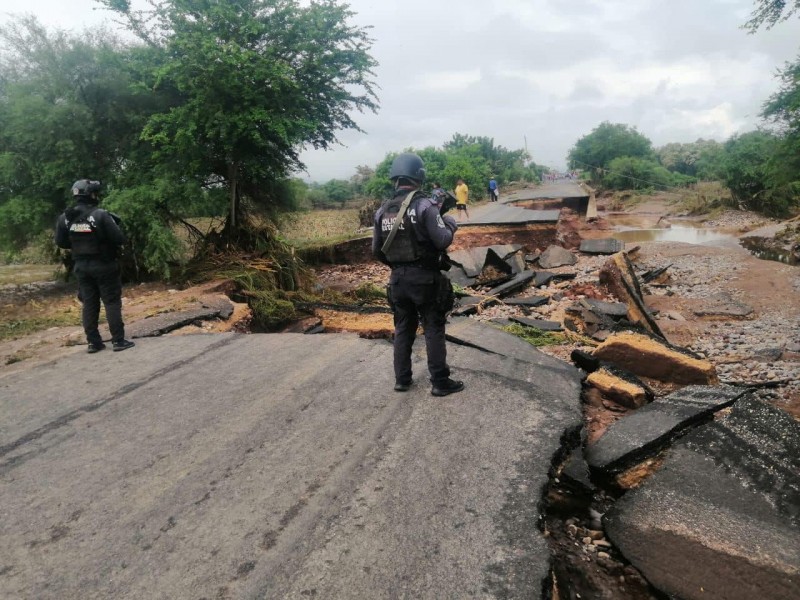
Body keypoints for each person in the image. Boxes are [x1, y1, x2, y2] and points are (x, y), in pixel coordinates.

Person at [373, 153, 464, 397]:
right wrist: (451, 224)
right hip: (425, 279)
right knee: (433, 326)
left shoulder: (382, 211)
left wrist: (397, 267)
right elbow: (442, 239)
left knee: (403, 326)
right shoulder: (425, 205)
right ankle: (440, 382)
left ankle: (402, 380)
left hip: (397, 280)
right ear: (419, 176)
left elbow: (377, 251)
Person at [55, 179, 135, 353]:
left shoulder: (66, 217)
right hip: (104, 265)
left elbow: (60, 242)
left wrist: (78, 244)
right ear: (91, 194)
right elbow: (119, 239)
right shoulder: (101, 215)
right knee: (112, 302)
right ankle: (118, 341)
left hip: (81, 267)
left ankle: (94, 343)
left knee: (89, 303)